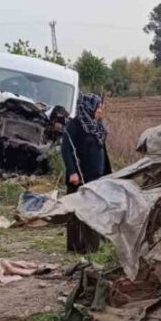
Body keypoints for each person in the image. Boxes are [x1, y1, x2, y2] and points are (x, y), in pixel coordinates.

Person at [60, 94, 112, 254]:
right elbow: (66, 149)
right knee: (76, 212)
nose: (100, 110)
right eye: (98, 107)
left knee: (94, 211)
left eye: (101, 107)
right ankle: (75, 246)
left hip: (97, 177)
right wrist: (72, 172)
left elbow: (102, 150)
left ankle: (92, 247)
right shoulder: (74, 125)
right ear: (88, 107)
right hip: (80, 177)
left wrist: (107, 173)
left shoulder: (97, 125)